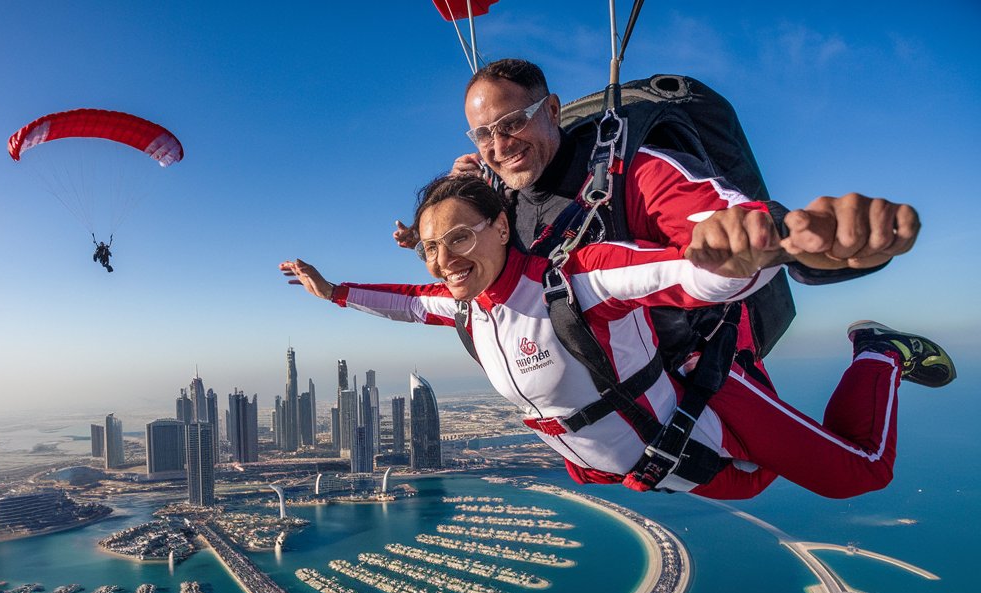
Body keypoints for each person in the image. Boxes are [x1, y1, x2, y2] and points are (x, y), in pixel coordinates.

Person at [282, 175, 954, 500]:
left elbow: (679, 273)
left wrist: (750, 254)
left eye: (459, 237)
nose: (444, 259)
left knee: (858, 473)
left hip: (706, 423)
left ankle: (878, 351)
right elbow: (400, 302)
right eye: (430, 248)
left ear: (499, 225)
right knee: (761, 485)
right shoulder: (466, 307)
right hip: (648, 466)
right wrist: (331, 291)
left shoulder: (573, 278)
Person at [393, 59, 919, 280]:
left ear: (551, 111)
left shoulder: (634, 172)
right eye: (484, 134)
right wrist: (422, 238)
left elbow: (728, 217)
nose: (499, 144)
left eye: (512, 123)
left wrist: (816, 242)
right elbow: (465, 237)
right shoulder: (496, 195)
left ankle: (877, 353)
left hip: (682, 399)